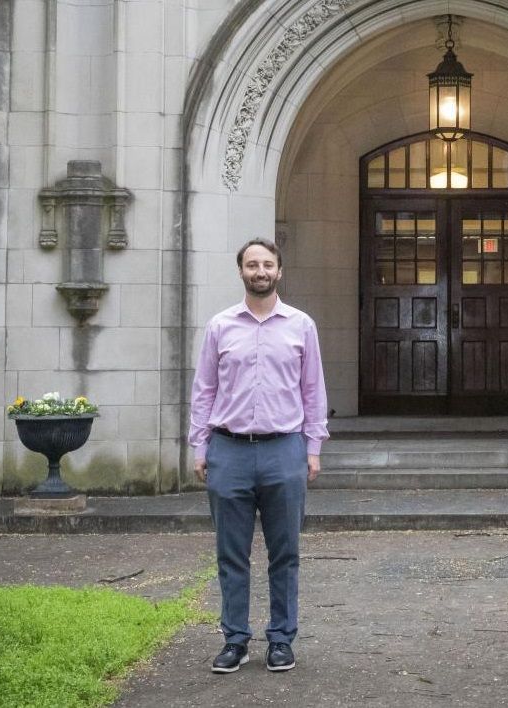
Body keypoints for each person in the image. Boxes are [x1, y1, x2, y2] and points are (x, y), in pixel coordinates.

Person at [189, 238, 328, 674]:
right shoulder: (220, 326)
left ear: (279, 271)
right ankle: (235, 639)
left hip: (284, 450)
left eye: (267, 264)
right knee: (231, 554)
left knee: (285, 553)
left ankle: (281, 639)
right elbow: (204, 390)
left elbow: (313, 390)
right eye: (252, 265)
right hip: (228, 450)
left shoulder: (301, 325)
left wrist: (313, 447)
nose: (260, 271)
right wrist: (199, 445)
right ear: (241, 272)